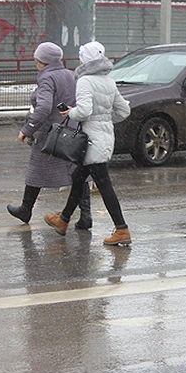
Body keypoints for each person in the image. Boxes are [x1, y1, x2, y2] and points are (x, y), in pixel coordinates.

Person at [44, 41, 132, 245]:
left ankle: (122, 229)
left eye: (81, 57)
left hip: (91, 139)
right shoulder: (108, 81)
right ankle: (63, 220)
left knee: (104, 184)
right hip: (104, 137)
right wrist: (105, 120)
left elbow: (83, 111)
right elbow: (124, 111)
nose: (79, 60)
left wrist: (70, 112)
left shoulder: (85, 81)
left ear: (85, 60)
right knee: (78, 177)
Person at [7, 42, 92, 228]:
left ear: (42, 60)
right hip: (71, 132)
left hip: (50, 134)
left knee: (36, 170)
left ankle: (25, 209)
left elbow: (44, 107)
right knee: (77, 172)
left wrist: (27, 129)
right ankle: (86, 215)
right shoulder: (70, 74)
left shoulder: (47, 78)